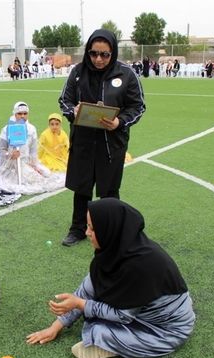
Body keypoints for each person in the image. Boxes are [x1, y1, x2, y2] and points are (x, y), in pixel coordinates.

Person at [26, 198, 195, 358]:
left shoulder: (142, 265)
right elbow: (87, 289)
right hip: (140, 313)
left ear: (110, 229)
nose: (86, 233)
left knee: (99, 330)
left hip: (165, 329)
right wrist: (55, 327)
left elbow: (122, 315)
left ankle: (110, 345)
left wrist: (81, 304)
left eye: (92, 228)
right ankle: (112, 340)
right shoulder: (113, 251)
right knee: (95, 315)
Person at [58, 29, 145, 246]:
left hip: (111, 144)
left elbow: (138, 106)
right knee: (82, 189)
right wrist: (73, 111)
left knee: (109, 191)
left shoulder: (126, 74)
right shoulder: (78, 72)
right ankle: (78, 228)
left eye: (104, 55)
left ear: (112, 53)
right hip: (83, 142)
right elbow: (64, 101)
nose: (98, 59)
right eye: (93, 53)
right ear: (88, 52)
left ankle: (109, 231)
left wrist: (120, 122)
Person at [0, 101, 65, 195]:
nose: (22, 116)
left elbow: (33, 151)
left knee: (46, 175)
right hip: (11, 165)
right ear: (14, 114)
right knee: (17, 183)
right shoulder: (6, 129)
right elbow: (0, 150)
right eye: (19, 114)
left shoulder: (31, 129)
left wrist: (35, 165)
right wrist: (10, 154)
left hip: (26, 163)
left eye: (25, 114)